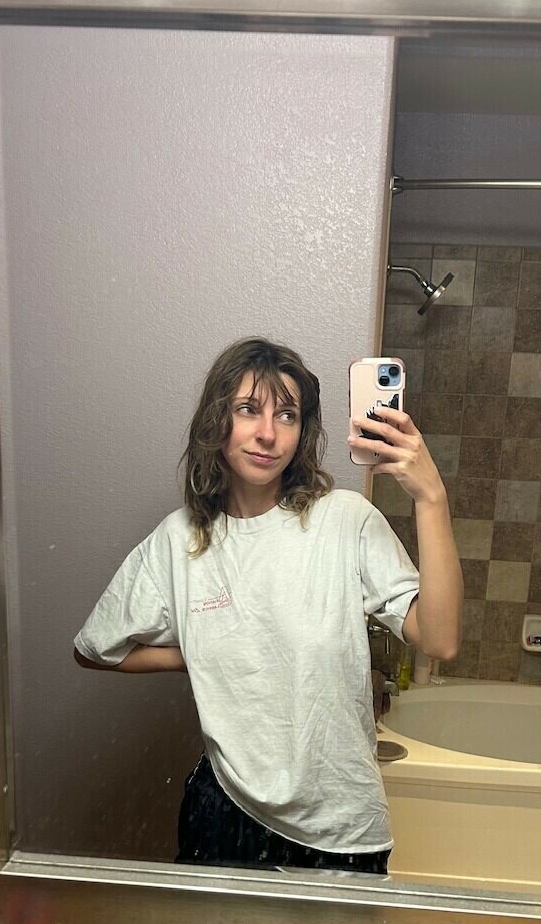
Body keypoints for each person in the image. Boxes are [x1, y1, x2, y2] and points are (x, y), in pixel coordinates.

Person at [73, 337, 462, 874]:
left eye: (287, 415)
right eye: (247, 409)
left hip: (342, 827)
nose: (268, 434)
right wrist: (201, 652)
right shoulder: (180, 539)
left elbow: (440, 639)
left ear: (302, 433)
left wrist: (430, 497)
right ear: (217, 421)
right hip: (224, 812)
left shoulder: (344, 520)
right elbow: (95, 649)